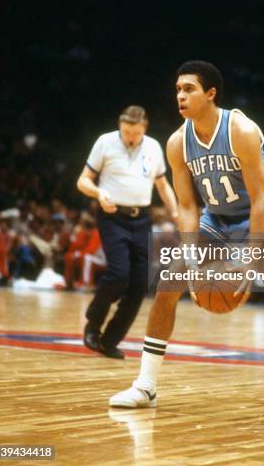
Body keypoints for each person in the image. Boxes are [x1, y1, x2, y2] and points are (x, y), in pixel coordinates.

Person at [109, 62, 264, 426]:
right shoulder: (176, 143)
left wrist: (250, 261)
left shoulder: (241, 130)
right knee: (168, 285)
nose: (181, 96)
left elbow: (260, 199)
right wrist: (190, 255)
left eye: (189, 89)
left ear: (211, 93)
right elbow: (187, 206)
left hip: (261, 217)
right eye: (177, 90)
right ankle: (146, 386)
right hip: (215, 221)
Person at [77, 105, 178, 359]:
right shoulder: (105, 142)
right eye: (125, 131)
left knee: (140, 284)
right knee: (119, 273)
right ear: (120, 127)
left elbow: (163, 184)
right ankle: (93, 322)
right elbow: (83, 180)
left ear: (144, 128)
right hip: (112, 217)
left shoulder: (154, 146)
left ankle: (109, 340)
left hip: (141, 218)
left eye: (135, 132)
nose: (130, 137)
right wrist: (99, 193)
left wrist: (176, 212)